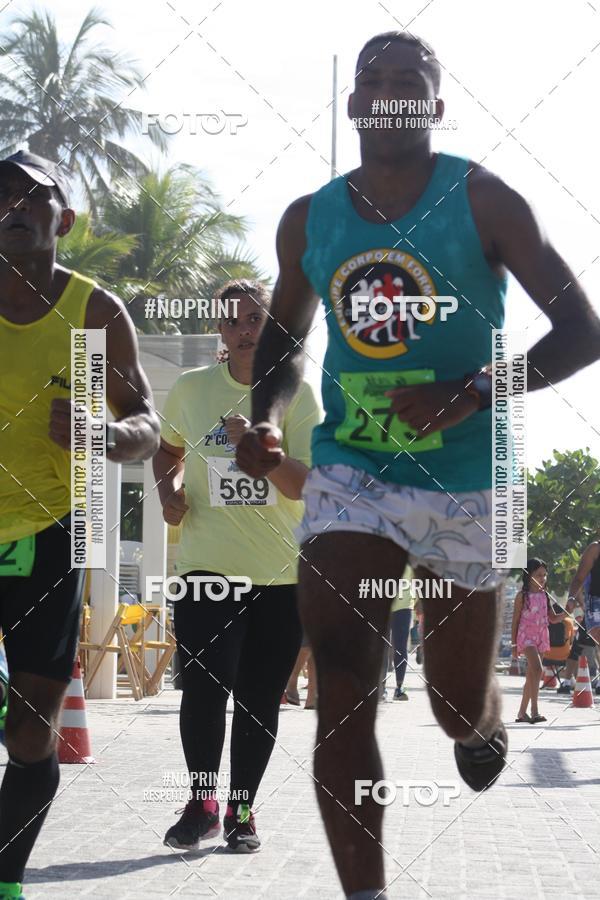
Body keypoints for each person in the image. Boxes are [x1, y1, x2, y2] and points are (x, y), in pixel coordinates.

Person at [235, 31, 600, 900]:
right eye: (374, 80)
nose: (391, 92)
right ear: (354, 104)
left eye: (412, 81)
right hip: (353, 472)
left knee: (447, 704)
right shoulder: (309, 219)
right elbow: (283, 344)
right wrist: (269, 422)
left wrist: (472, 390)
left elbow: (583, 332)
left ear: (434, 106)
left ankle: (478, 721)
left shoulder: (484, 200)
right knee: (344, 676)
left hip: (470, 480)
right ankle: (367, 893)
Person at [0, 150, 160, 900]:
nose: (16, 208)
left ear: (62, 219)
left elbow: (148, 426)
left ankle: (6, 878)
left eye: (33, 198)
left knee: (31, 733)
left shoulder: (94, 313)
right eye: (2, 196)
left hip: (47, 534)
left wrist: (98, 435)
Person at [153, 280, 321, 852]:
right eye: (233, 321)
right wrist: (167, 488)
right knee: (202, 690)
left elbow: (311, 485)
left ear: (272, 326)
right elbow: (168, 448)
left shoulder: (299, 394)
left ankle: (241, 811)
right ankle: (200, 805)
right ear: (220, 332)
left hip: (280, 574)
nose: (245, 330)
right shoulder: (191, 388)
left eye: (256, 319)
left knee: (257, 700)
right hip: (207, 566)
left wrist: (259, 448)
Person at [511, 559, 567, 722]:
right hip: (525, 637)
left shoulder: (545, 595)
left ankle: (522, 713)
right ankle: (535, 711)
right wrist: (514, 644)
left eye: (544, 575)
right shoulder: (522, 596)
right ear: (529, 576)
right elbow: (515, 621)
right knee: (537, 669)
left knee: (532, 675)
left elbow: (553, 618)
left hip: (541, 636)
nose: (542, 578)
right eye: (538, 575)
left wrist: (567, 613)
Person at [390, 567, 415, 700]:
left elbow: (417, 579)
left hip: (404, 605)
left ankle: (399, 687)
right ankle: (379, 689)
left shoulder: (410, 553)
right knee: (380, 648)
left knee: (400, 648)